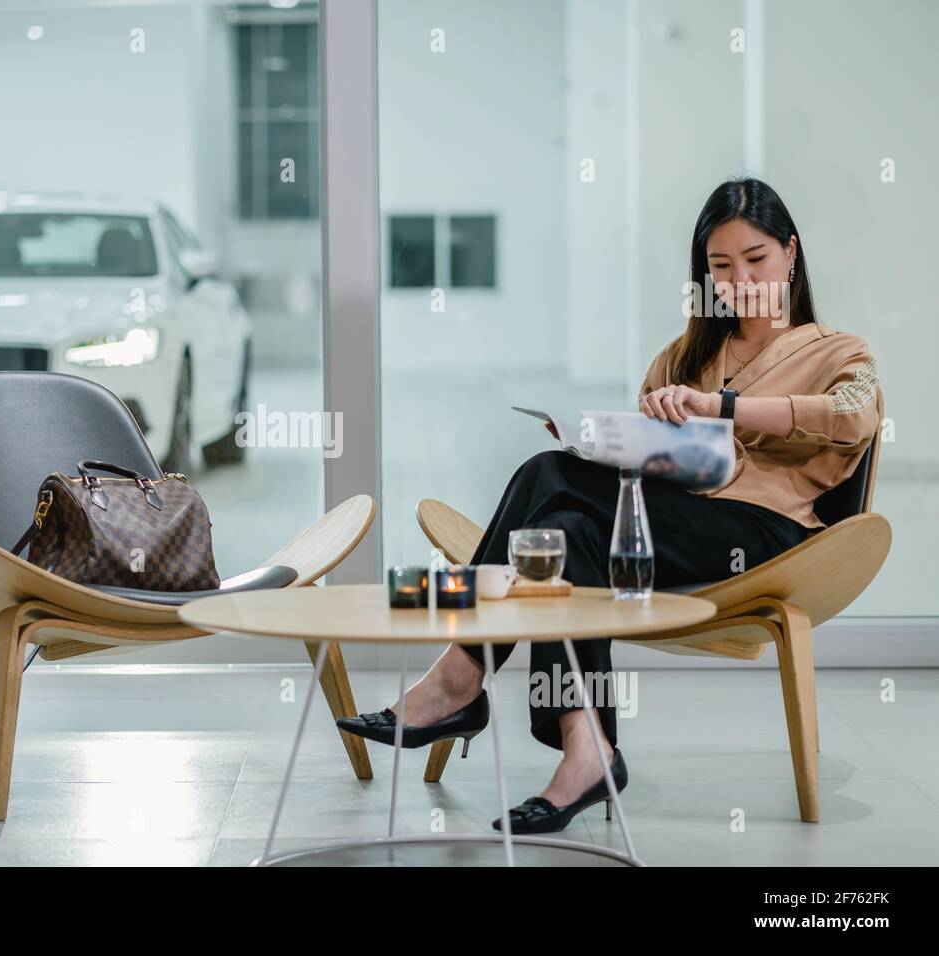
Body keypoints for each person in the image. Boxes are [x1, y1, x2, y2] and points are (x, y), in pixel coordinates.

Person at [338, 178, 881, 834]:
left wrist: (723, 408)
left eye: (756, 259)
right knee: (566, 531)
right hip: (667, 528)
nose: (740, 279)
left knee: (547, 475)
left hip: (765, 541)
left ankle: (457, 678)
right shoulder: (685, 357)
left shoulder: (838, 352)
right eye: (720, 265)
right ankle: (587, 750)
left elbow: (854, 416)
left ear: (791, 254)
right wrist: (621, 436)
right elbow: (646, 467)